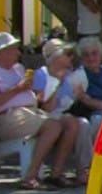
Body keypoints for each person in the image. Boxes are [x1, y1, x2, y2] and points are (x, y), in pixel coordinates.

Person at [0, 31, 75, 190]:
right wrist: (18, 89)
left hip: (31, 111)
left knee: (71, 123)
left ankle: (56, 173)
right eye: (14, 49)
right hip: (7, 117)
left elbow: (32, 96)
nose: (18, 53)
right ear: (2, 51)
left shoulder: (18, 68)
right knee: (53, 126)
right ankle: (30, 177)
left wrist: (46, 89)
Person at [30, 39, 93, 186]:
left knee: (83, 124)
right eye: (68, 54)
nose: (71, 58)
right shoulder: (41, 74)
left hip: (62, 115)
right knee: (71, 122)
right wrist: (57, 83)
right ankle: (56, 173)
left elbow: (70, 103)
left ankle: (82, 170)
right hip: (44, 115)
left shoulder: (71, 75)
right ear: (56, 57)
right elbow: (46, 107)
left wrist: (79, 95)